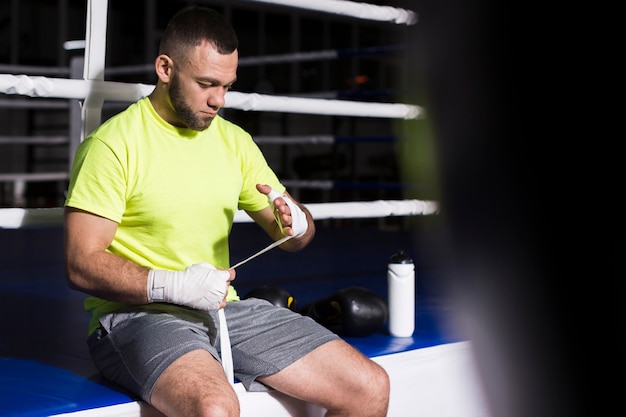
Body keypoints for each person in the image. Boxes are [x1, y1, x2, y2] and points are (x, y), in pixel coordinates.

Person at [63, 5, 389, 417]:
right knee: (215, 409)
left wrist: (299, 223)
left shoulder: (234, 142)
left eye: (228, 85)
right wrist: (173, 286)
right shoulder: (113, 145)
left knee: (369, 387)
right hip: (135, 318)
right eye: (206, 84)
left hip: (222, 310)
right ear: (165, 68)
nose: (219, 99)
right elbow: (80, 263)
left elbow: (293, 236)